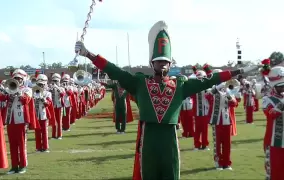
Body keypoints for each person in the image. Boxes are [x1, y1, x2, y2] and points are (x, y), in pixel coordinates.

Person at [75, 20, 244, 180]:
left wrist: (233, 73)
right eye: (158, 61)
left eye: (165, 61)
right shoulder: (140, 83)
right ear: (151, 63)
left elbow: (208, 81)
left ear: (170, 65)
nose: (162, 64)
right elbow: (115, 71)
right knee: (149, 175)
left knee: (171, 174)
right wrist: (88, 54)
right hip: (149, 137)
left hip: (169, 137)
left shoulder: (181, 85)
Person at [0, 69, 39, 174]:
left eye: (19, 79)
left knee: (21, 144)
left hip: (21, 120)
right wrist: (6, 92)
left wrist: (18, 91)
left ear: (23, 80)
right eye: (15, 78)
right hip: (11, 120)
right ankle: (14, 166)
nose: (17, 80)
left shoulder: (27, 90)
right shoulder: (9, 89)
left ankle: (23, 165)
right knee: (12, 144)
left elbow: (25, 101)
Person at [207, 82, 237, 170]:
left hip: (226, 121)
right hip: (216, 121)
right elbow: (207, 96)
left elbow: (234, 104)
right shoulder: (212, 91)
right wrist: (217, 88)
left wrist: (228, 94)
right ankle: (218, 163)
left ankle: (226, 163)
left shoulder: (227, 91)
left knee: (227, 144)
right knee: (217, 143)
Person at [261, 66, 284, 180]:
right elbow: (270, 114)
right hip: (273, 141)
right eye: (280, 86)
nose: (283, 88)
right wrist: (282, 104)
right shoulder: (267, 99)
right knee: (274, 173)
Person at [34, 74, 55, 152]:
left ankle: (45, 147)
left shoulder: (47, 93)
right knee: (37, 132)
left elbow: (48, 104)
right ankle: (38, 147)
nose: (41, 85)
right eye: (39, 84)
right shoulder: (33, 92)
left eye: (42, 84)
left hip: (44, 114)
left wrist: (42, 98)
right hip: (36, 114)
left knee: (44, 132)